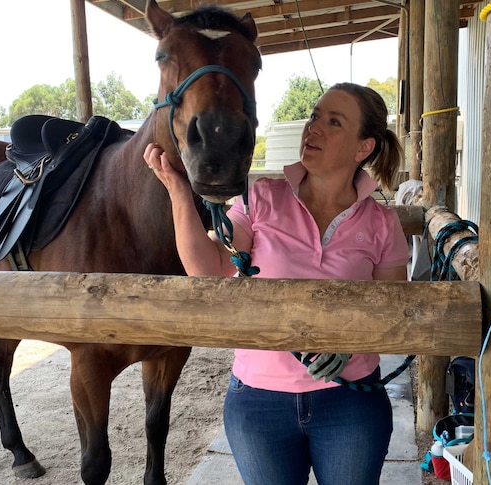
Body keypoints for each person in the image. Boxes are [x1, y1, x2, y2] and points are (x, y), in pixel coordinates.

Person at [144, 82, 408, 485]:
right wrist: (179, 192)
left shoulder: (381, 223)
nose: (313, 128)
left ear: (363, 148)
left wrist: (350, 343)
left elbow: (394, 312)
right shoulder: (261, 198)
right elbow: (209, 268)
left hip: (350, 403)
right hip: (258, 404)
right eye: (315, 116)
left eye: (333, 122)